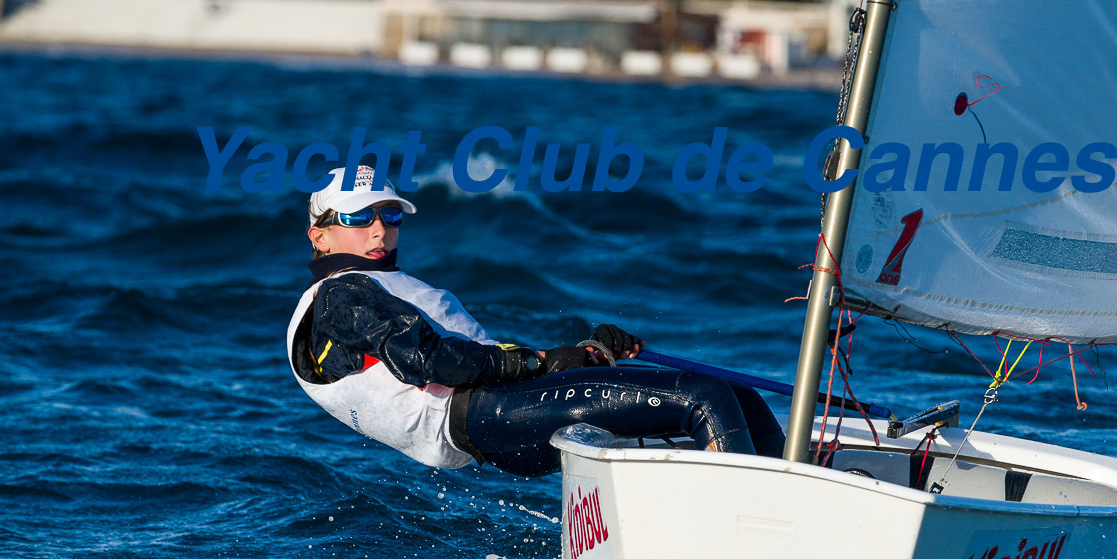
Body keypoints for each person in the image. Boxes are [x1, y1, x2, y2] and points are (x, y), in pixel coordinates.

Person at [286, 166, 784, 475]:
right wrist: (542, 360)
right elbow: (435, 361)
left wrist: (580, 357)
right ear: (320, 236)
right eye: (358, 218)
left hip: (503, 409)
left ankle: (797, 499)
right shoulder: (337, 297)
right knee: (705, 399)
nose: (379, 229)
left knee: (737, 396)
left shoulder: (376, 288)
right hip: (486, 419)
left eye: (390, 216)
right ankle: (753, 545)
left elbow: (484, 359)